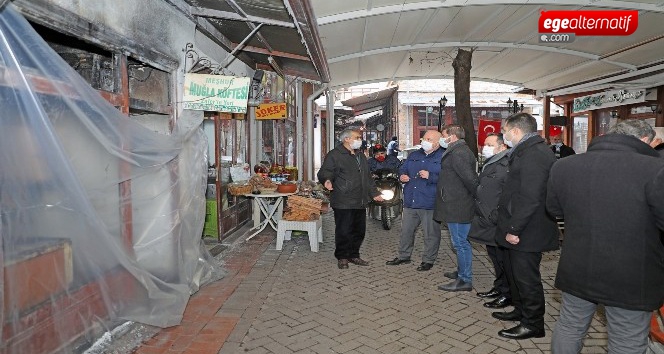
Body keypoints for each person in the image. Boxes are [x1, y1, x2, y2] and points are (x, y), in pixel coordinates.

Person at [547, 120, 664, 353]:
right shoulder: (655, 169)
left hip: (578, 265)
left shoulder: (565, 166)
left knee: (570, 326)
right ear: (644, 140)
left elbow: (554, 210)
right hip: (631, 274)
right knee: (627, 339)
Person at [492, 113, 559, 340]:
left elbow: (531, 197)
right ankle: (521, 311)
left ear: (516, 131)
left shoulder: (535, 154)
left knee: (526, 278)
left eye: (504, 131)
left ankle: (533, 324)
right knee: (515, 274)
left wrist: (515, 229)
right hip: (519, 226)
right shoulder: (526, 150)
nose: (503, 135)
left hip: (528, 230)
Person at [318, 128, 383, 269]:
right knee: (344, 230)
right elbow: (325, 171)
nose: (360, 140)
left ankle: (354, 255)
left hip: (360, 200)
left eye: (360, 137)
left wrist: (375, 193)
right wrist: (327, 180)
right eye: (357, 137)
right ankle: (342, 257)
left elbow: (367, 177)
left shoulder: (361, 156)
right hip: (343, 199)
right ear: (346, 139)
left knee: (359, 230)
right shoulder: (334, 155)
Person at [385, 130, 444, 271]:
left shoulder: (444, 156)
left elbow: (449, 179)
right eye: (424, 138)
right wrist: (402, 176)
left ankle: (428, 260)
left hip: (430, 202)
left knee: (431, 234)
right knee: (406, 231)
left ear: (437, 142)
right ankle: (403, 256)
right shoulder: (414, 155)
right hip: (411, 200)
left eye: (429, 139)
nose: (425, 141)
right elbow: (402, 169)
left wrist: (431, 176)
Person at [468, 133, 511, 308]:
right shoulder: (490, 163)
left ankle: (507, 294)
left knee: (503, 259)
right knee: (494, 257)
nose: (484, 147)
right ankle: (499, 287)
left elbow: (508, 196)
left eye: (489, 144)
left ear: (502, 147)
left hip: (497, 220)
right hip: (485, 219)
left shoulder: (506, 165)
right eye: (484, 144)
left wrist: (495, 214)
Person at [434, 124, 478, 292]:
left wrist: (475, 197)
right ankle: (461, 271)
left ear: (451, 136)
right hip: (454, 202)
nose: (441, 140)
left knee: (460, 243)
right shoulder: (457, 150)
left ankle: (465, 279)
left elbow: (470, 179)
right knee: (458, 242)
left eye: (443, 136)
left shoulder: (459, 152)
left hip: (458, 204)